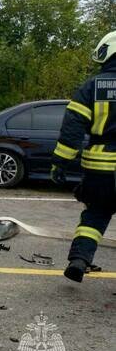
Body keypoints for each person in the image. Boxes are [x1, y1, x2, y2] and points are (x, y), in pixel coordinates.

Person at [51, 30, 116, 282]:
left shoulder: (92, 87)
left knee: (95, 215)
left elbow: (73, 127)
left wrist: (60, 163)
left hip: (99, 169)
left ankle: (79, 260)